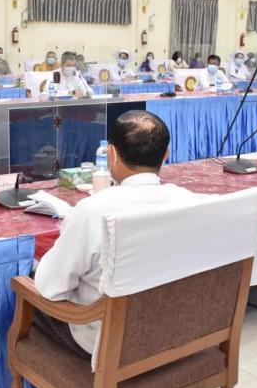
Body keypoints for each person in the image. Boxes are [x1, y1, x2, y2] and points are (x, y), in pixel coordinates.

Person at [34, 110, 196, 357]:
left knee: (21, 288)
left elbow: (50, 288)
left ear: (112, 154)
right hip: (174, 332)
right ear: (166, 154)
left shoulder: (93, 210)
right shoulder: (190, 201)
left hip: (106, 344)